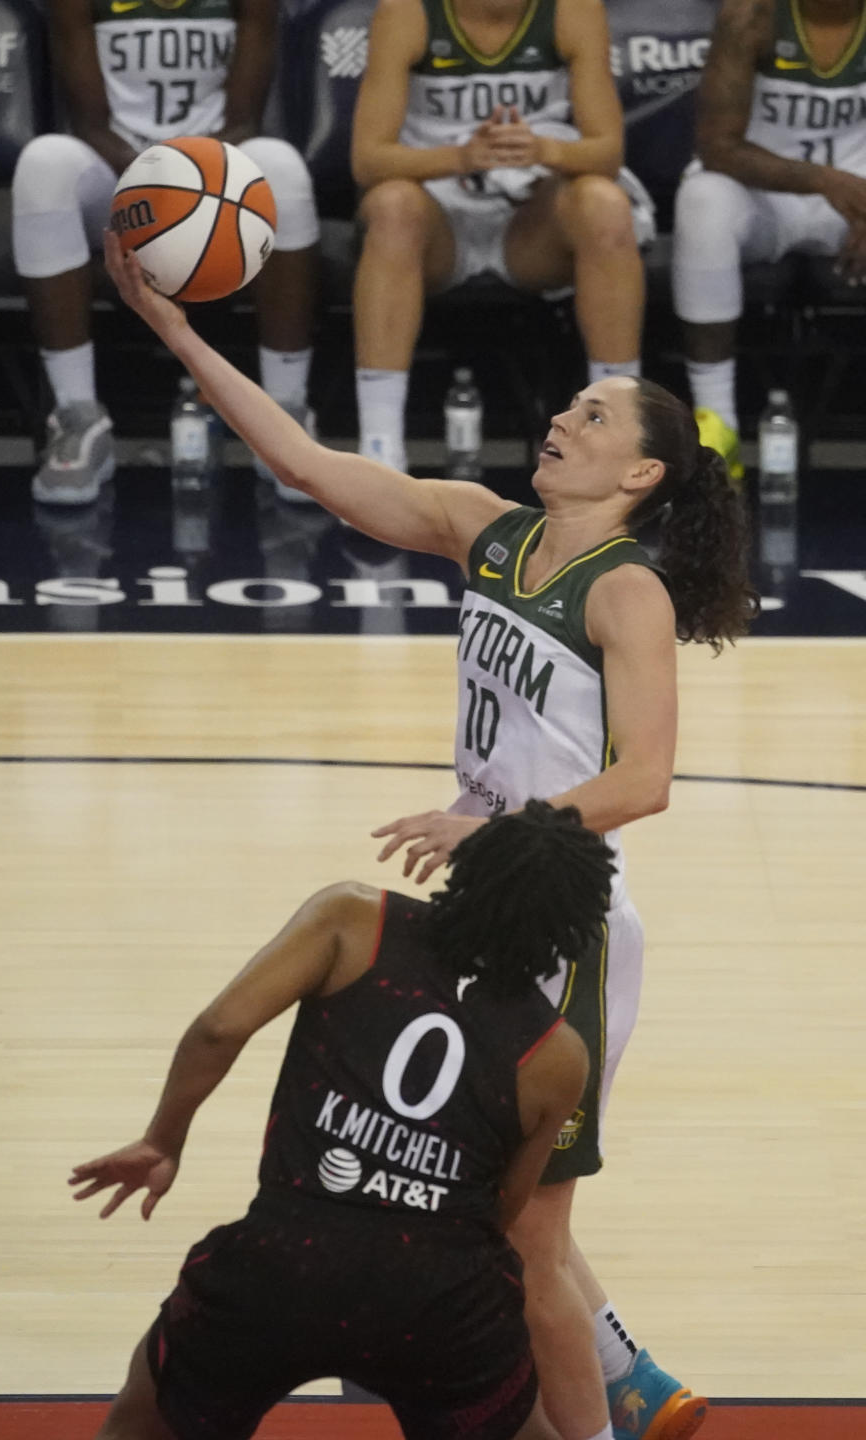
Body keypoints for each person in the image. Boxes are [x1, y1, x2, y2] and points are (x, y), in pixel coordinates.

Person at [102, 229, 759, 1440]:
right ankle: (636, 1384)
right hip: (485, 902)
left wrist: (494, 828)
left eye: (597, 416)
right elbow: (304, 463)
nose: (566, 417)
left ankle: (609, 1421)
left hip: (564, 921)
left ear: (640, 477)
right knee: (497, 1209)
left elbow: (649, 780)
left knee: (519, 1235)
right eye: (571, 404)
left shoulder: (627, 590)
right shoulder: (486, 529)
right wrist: (179, 330)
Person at [70, 801, 614, 1440]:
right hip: (439, 1299)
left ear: (468, 867)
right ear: (572, 928)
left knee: (141, 1418)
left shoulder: (355, 920)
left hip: (282, 1262)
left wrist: (165, 1139)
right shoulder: (557, 1055)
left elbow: (220, 1029)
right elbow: (504, 1206)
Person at [12, 0, 321, 505]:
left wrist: (187, 183)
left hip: (217, 167)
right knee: (43, 164)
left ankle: (286, 415)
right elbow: (89, 123)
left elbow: (245, 119)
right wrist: (154, 183)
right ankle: (77, 416)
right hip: (116, 165)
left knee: (282, 167)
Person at [349, 0, 656, 471]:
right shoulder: (408, 12)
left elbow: (607, 153)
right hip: (437, 223)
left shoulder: (571, 10)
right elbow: (368, 160)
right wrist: (462, 158)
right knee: (392, 206)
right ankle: (379, 446)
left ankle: (618, 436)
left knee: (605, 205)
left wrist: (544, 148)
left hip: (528, 226)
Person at [672, 0, 866, 480]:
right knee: (702, 200)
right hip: (767, 196)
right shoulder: (752, 16)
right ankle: (718, 429)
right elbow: (717, 147)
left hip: (857, 199)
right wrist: (823, 180)